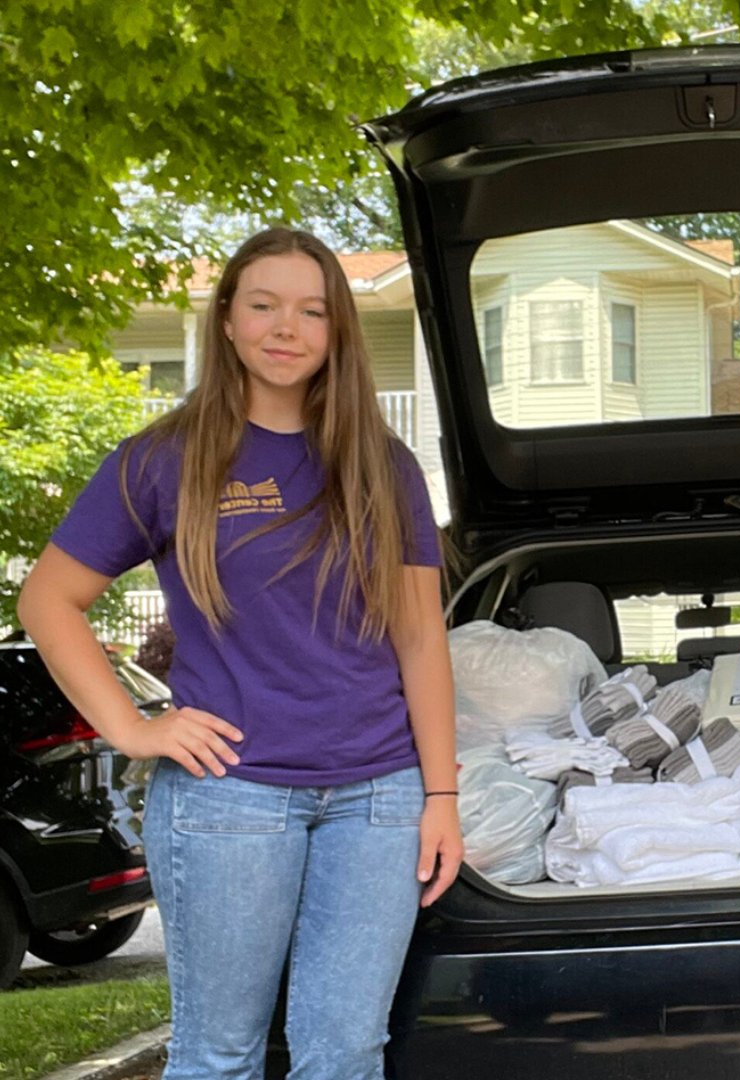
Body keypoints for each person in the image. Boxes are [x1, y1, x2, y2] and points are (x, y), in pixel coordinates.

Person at [17, 228, 463, 1080]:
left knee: (345, 1054)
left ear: (336, 331)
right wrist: (132, 727)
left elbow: (419, 639)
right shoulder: (162, 460)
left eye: (311, 310)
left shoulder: (386, 464)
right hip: (231, 801)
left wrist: (440, 794)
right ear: (227, 320)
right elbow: (47, 600)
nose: (285, 327)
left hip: (378, 801)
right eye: (263, 305)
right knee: (220, 1056)